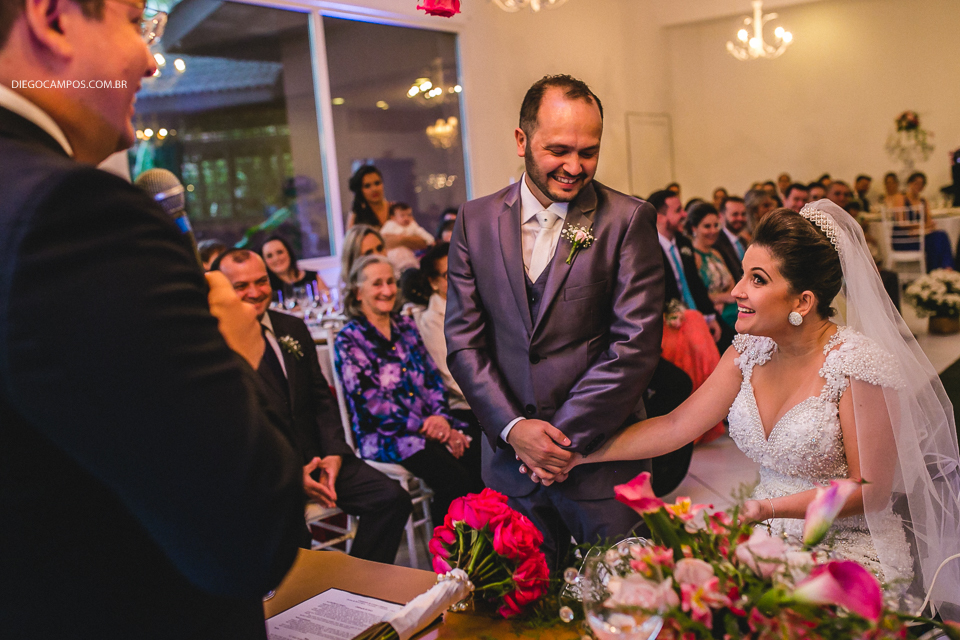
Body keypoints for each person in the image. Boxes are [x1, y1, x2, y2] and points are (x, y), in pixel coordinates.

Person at [0, 0, 305, 635]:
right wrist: (233, 353)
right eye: (133, 20)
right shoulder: (75, 213)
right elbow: (249, 540)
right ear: (53, 17)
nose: (147, 56)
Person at [551, 202, 960, 620]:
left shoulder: (858, 366)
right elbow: (676, 425)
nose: (736, 291)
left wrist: (768, 509)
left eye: (757, 279)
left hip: (849, 554)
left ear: (803, 300)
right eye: (743, 274)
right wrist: (581, 454)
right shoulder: (746, 352)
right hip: (762, 538)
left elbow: (870, 490)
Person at [445, 74, 664, 571]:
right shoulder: (474, 221)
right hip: (508, 470)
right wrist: (515, 430)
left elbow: (634, 348)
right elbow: (463, 342)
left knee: (616, 613)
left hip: (601, 467)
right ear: (522, 140)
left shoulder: (628, 221)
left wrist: (555, 444)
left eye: (589, 151)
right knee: (520, 615)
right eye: (559, 149)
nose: (574, 166)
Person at [215, 249, 412, 564]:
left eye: (262, 281)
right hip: (270, 475)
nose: (255, 292)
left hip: (320, 459)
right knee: (294, 541)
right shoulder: (217, 344)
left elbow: (321, 397)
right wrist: (291, 474)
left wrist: (334, 452)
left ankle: (355, 590)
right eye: (241, 286)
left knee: (392, 500)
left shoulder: (291, 327)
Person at [335, 255, 483, 526]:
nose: (388, 290)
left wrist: (441, 419)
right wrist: (427, 423)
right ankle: (447, 560)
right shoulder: (350, 338)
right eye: (377, 284)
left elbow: (432, 379)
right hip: (385, 435)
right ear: (358, 292)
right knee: (453, 478)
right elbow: (372, 403)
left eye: (390, 281)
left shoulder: (405, 327)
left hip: (431, 427)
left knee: (483, 457)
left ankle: (480, 553)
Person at [652, 188, 734, 351]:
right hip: (674, 321)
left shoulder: (683, 243)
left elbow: (695, 284)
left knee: (732, 344)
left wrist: (710, 317)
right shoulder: (650, 249)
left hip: (699, 314)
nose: (684, 215)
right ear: (660, 217)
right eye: (678, 211)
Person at [888, 171, 954, 272]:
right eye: (916, 183)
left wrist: (920, 229)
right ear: (910, 183)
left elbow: (929, 222)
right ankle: (938, 271)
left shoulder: (923, 201)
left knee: (940, 236)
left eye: (921, 184)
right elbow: (901, 223)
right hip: (904, 240)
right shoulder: (900, 198)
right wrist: (921, 227)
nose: (918, 186)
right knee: (937, 239)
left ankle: (943, 270)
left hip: (920, 237)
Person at [688, 202, 738, 328]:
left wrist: (727, 298)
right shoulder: (692, 257)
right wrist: (723, 298)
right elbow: (696, 294)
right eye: (707, 226)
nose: (713, 231)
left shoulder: (716, 253)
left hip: (731, 308)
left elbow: (732, 283)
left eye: (716, 225)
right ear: (694, 228)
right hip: (712, 315)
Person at [261, 234, 330, 304]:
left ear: (289, 253)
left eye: (279, 252)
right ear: (264, 261)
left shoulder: (313, 278)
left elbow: (330, 306)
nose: (276, 258)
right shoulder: (266, 288)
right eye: (269, 256)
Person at [714, 195, 747, 282]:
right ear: (721, 216)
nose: (740, 218)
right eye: (735, 214)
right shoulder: (717, 243)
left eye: (743, 214)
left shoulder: (743, 241)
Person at [346, 164, 390, 229]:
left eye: (377, 183)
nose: (374, 189)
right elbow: (351, 238)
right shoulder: (356, 215)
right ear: (360, 190)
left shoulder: (395, 208)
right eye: (367, 186)